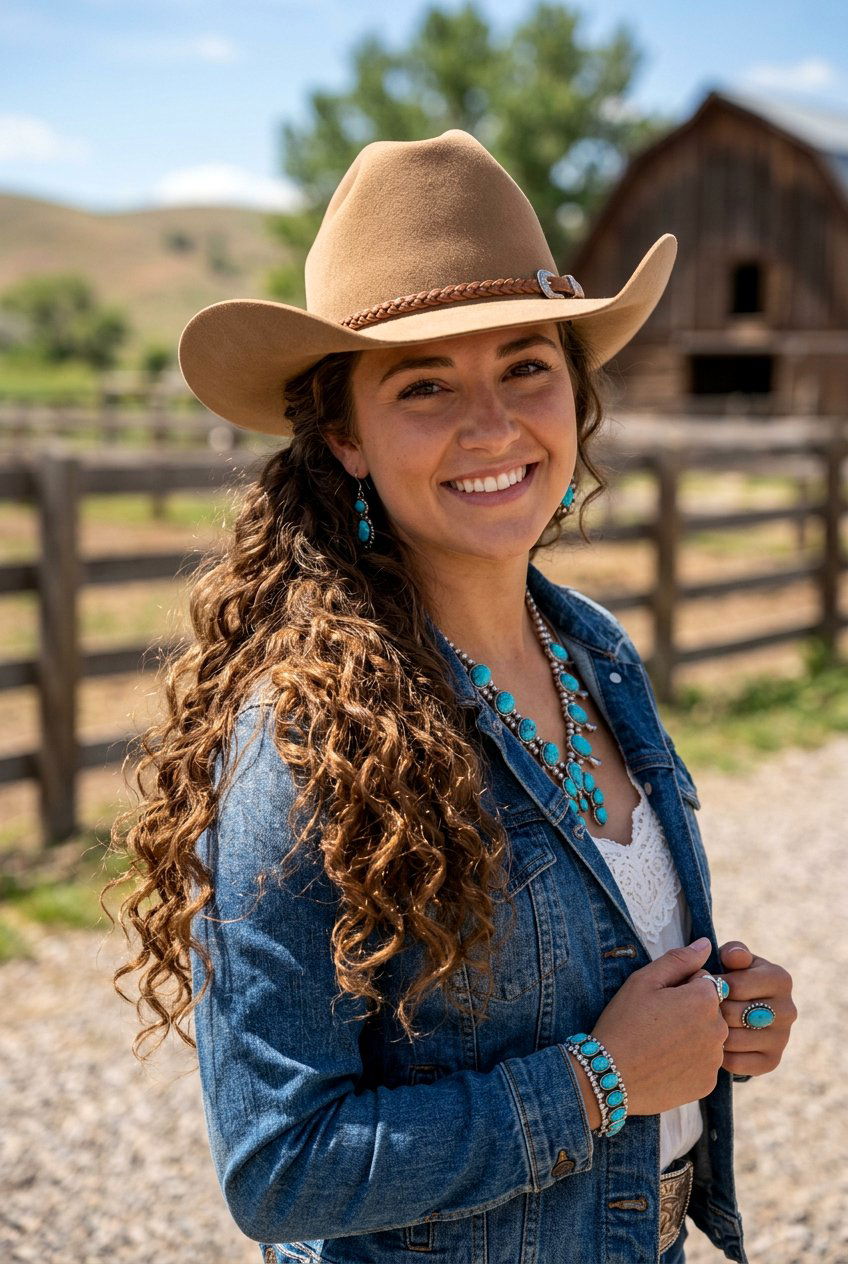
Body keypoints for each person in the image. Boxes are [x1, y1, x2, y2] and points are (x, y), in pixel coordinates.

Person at [106, 130, 796, 1264]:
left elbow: (599, 978)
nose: (491, 424)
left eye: (524, 365)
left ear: (575, 393)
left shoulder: (595, 654)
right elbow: (279, 1165)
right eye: (424, 384)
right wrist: (602, 1079)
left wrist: (716, 1018)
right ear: (345, 437)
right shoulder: (306, 737)